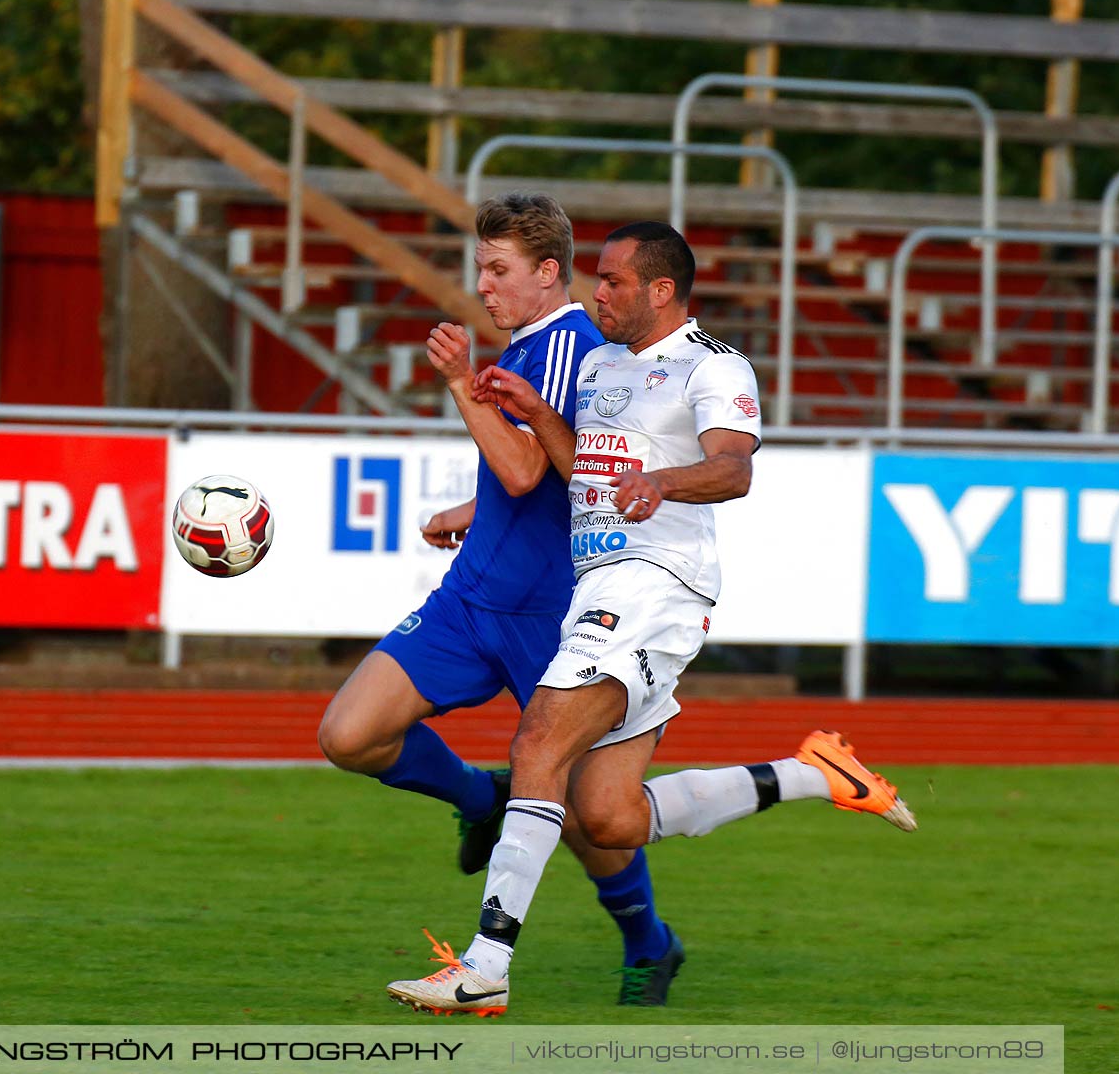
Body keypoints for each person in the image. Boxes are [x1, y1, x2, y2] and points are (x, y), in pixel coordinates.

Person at [386, 220, 916, 1017]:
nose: (598, 294)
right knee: (607, 816)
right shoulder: (600, 362)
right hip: (603, 581)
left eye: (614, 283)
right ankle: (814, 774)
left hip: (657, 585)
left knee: (537, 741)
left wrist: (663, 483)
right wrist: (536, 411)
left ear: (661, 291)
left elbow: (734, 469)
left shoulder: (714, 365)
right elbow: (579, 472)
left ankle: (485, 967)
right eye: (597, 279)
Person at [318, 193, 687, 1010]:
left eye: (498, 271)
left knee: (595, 820)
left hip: (554, 620)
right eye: (479, 269)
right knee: (350, 734)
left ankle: (649, 944)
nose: (482, 286)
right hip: (473, 598)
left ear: (547, 273)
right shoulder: (528, 344)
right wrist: (471, 512)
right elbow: (537, 478)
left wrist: (457, 384)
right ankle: (478, 797)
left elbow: (527, 467)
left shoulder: (575, 346)